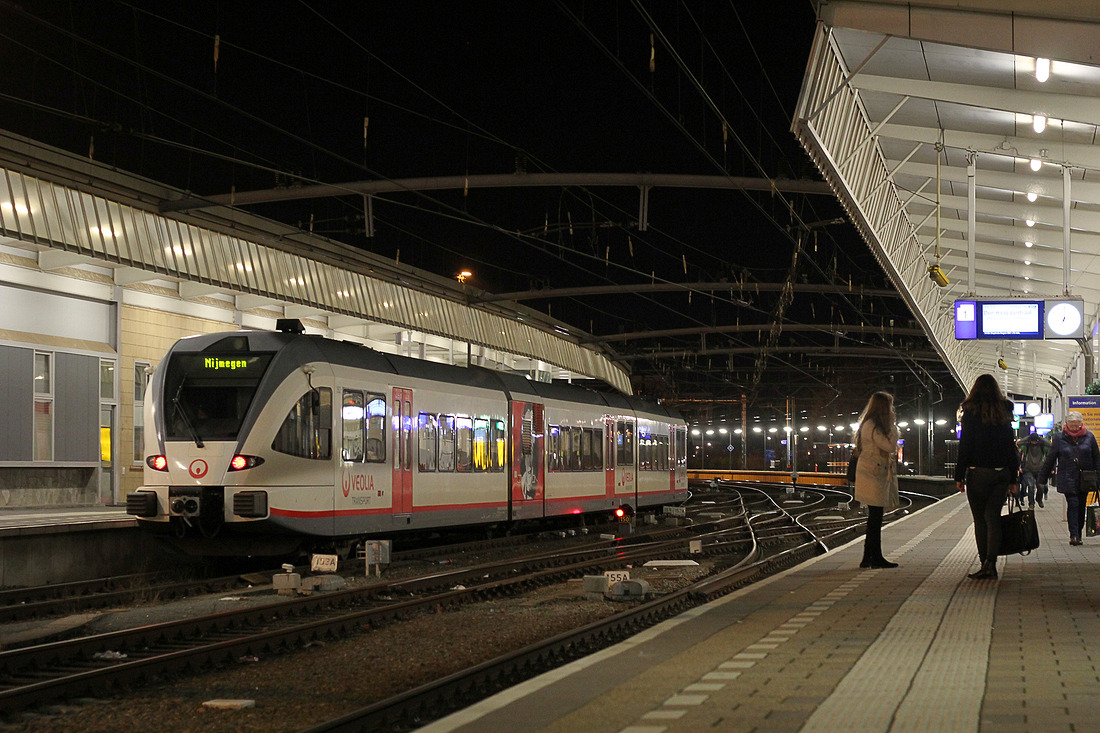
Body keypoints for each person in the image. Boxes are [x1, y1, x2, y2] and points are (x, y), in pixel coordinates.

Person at [955, 374, 1019, 580]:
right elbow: (1011, 446)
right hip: (1001, 473)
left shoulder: (970, 412)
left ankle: (985, 563)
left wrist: (959, 475)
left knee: (980, 520)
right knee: (993, 518)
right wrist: (1013, 479)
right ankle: (991, 562)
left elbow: (964, 445)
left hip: (977, 473)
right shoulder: (1005, 410)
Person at [853, 391, 901, 568]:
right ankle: (875, 558)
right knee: (875, 517)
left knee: (874, 517)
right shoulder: (874, 426)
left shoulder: (868, 424)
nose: (892, 409)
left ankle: (868, 557)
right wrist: (894, 428)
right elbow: (889, 446)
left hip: (871, 472)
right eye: (890, 406)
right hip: (873, 474)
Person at [1039, 410, 1100, 546]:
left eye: (1076, 425)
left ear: (1081, 424)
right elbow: (1050, 459)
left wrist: (1098, 478)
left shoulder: (1089, 437)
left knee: (1081, 505)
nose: (1073, 428)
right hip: (1067, 477)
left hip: (1085, 478)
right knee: (1073, 504)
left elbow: (1097, 458)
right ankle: (1074, 535)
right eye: (1071, 425)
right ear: (1067, 424)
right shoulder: (1059, 438)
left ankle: (1078, 531)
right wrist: (1042, 478)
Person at [1016, 433, 1051, 509]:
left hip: (1040, 469)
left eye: (1035, 441)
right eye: (1032, 441)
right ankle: (1031, 504)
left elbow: (1049, 444)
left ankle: (1039, 499)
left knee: (1041, 486)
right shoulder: (1027, 447)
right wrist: (1029, 437)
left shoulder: (1042, 446)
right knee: (1031, 487)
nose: (1034, 442)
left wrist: (1039, 438)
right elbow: (1019, 443)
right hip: (1029, 469)